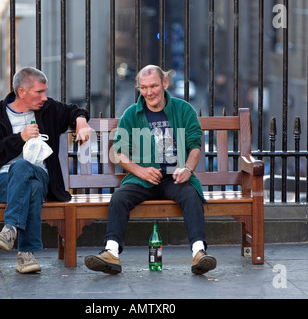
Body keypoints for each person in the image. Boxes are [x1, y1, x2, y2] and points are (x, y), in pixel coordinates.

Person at [84, 65, 216, 275]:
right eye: (144, 88)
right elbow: (118, 152)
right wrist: (140, 170)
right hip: (142, 178)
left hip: (174, 176)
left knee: (191, 195)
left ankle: (199, 253)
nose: (149, 92)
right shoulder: (131, 115)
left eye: (153, 86)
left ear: (164, 83)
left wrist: (188, 169)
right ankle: (111, 252)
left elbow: (195, 145)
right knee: (119, 198)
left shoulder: (183, 109)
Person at [0, 66, 91, 274]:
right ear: (22, 92)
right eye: (39, 92)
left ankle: (10, 229)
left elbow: (74, 110)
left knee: (28, 170)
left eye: (45, 91)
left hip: (42, 176)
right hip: (4, 182)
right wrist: (20, 138)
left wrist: (81, 122)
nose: (44, 97)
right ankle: (26, 255)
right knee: (29, 183)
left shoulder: (48, 109)